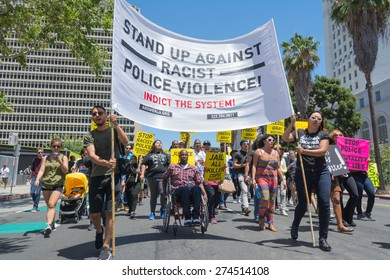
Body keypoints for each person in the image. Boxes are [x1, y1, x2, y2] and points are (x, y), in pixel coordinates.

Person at [282, 112, 332, 252]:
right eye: (313, 117)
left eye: (319, 118)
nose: (316, 120)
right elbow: (285, 138)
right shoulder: (299, 133)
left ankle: (323, 238)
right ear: (308, 120)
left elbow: (322, 151)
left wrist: (304, 151)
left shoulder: (324, 135)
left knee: (324, 202)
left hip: (321, 172)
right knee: (303, 204)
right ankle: (295, 225)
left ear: (321, 121)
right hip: (303, 172)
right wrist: (291, 123)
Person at [84, 105, 129, 260]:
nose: (97, 115)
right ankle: (98, 230)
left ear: (106, 115)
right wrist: (106, 163)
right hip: (97, 177)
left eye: (100, 113)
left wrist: (116, 125)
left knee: (110, 212)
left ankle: (106, 245)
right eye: (94, 114)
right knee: (95, 213)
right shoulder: (89, 135)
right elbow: (92, 155)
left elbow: (126, 141)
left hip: (113, 177)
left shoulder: (113, 131)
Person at [163, 149, 208, 226]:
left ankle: (196, 216)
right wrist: (164, 192)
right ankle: (187, 217)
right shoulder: (173, 167)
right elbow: (164, 178)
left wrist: (204, 194)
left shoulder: (193, 168)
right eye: (182, 155)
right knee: (185, 189)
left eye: (185, 155)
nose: (184, 156)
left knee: (196, 188)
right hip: (178, 191)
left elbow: (199, 182)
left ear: (188, 156)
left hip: (191, 192)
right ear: (179, 156)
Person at [35, 138, 68, 237]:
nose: (56, 148)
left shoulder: (63, 157)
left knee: (51, 204)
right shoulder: (46, 158)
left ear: (60, 147)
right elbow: (41, 170)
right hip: (46, 183)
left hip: (58, 183)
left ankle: (48, 225)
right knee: (49, 206)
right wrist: (37, 180)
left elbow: (66, 171)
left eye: (58, 146)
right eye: (54, 146)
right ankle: (52, 223)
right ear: (51, 147)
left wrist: (59, 161)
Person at [252, 135, 286, 232]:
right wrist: (253, 179)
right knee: (265, 198)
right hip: (262, 178)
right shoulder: (259, 152)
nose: (272, 141)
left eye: (273, 140)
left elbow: (278, 167)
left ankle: (270, 223)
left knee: (272, 202)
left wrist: (283, 179)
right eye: (269, 140)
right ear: (264, 141)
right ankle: (261, 217)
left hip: (273, 179)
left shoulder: (276, 153)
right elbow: (254, 166)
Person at [329, 130, 358, 230]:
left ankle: (347, 216)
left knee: (355, 195)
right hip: (336, 175)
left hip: (347, 174)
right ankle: (341, 220)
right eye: (336, 135)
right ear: (332, 137)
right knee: (338, 197)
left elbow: (355, 159)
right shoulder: (330, 148)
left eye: (340, 135)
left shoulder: (348, 148)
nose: (338, 136)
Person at [140, 140, 169, 220]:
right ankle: (152, 212)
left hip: (163, 177)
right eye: (157, 143)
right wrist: (142, 174)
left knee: (163, 193)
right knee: (154, 196)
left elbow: (168, 165)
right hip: (152, 177)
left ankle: (162, 209)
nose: (159, 144)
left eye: (161, 142)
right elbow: (143, 164)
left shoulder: (166, 155)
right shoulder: (149, 155)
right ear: (153, 145)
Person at [234, 140, 251, 216]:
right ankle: (246, 207)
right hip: (241, 174)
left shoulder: (251, 153)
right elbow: (235, 165)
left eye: (247, 144)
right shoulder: (238, 154)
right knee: (244, 190)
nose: (246, 145)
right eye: (244, 144)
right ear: (241, 145)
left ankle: (243, 205)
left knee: (247, 192)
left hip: (250, 175)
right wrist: (243, 165)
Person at [123, 155, 142, 219]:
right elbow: (126, 171)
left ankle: (133, 211)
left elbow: (143, 173)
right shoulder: (128, 165)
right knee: (128, 197)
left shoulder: (139, 165)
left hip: (136, 183)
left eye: (134, 159)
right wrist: (134, 171)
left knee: (134, 195)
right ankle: (130, 209)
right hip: (128, 183)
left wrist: (139, 172)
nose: (133, 160)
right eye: (132, 159)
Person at [118, 144, 133, 212]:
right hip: (120, 174)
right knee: (120, 189)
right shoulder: (120, 155)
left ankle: (125, 204)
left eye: (129, 148)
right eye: (127, 148)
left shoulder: (132, 156)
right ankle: (120, 203)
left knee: (126, 190)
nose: (128, 149)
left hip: (128, 175)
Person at [274, 144, 289, 216]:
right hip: (274, 177)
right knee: (274, 193)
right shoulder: (272, 158)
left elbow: (285, 169)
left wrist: (280, 170)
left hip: (282, 177)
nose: (279, 150)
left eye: (280, 149)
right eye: (277, 149)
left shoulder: (283, 159)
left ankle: (282, 208)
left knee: (283, 193)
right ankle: (272, 207)